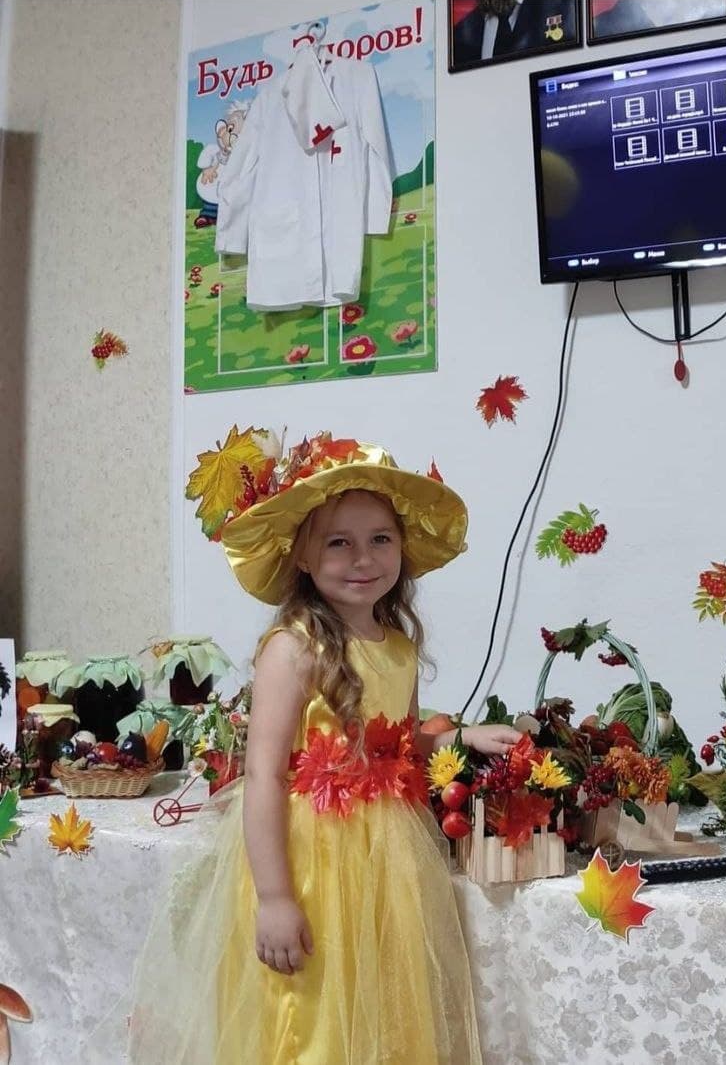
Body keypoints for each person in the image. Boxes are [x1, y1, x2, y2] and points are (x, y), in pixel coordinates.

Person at [124, 434, 519, 1063]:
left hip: (388, 858)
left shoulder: (398, 646)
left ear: (402, 547)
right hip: (312, 859)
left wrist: (460, 737)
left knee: (379, 1000)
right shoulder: (293, 648)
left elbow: (395, 741)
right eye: (339, 542)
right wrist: (276, 897)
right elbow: (263, 775)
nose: (363, 558)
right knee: (312, 1008)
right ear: (303, 556)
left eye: (380, 539)